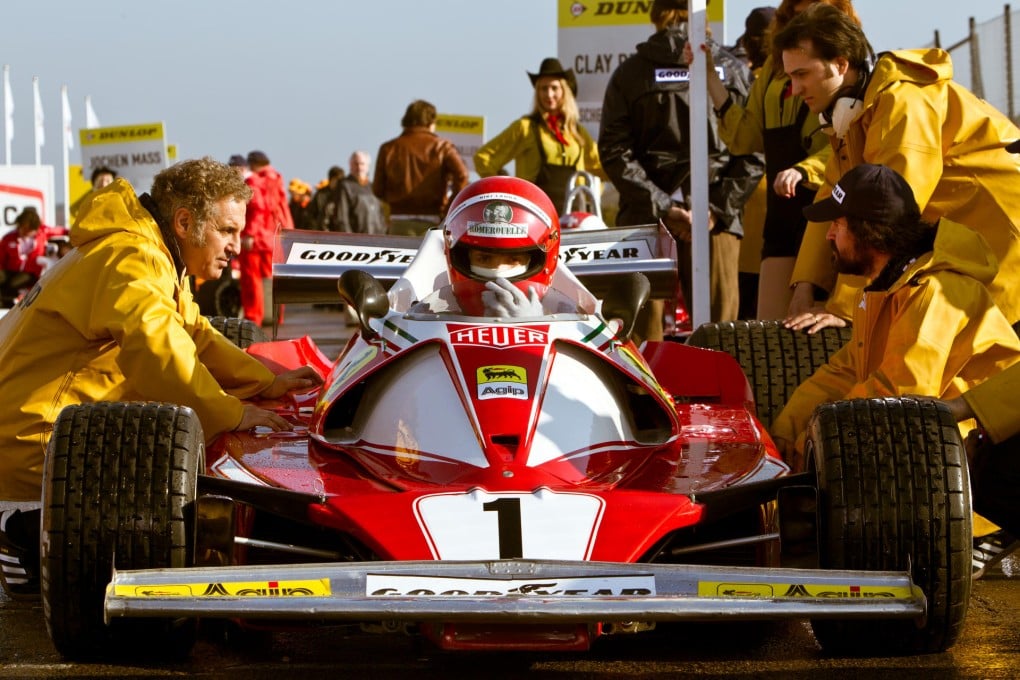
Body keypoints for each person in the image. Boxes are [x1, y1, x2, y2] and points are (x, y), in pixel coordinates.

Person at [0, 158, 323, 598]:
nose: (237, 247)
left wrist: (265, 382)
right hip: (32, 462)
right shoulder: (132, 257)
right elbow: (158, 353)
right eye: (227, 231)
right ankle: (17, 533)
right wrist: (232, 412)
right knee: (167, 552)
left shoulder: (149, 252)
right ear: (185, 222)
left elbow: (193, 333)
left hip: (37, 439)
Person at [772, 3, 1020, 329]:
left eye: (802, 74)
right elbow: (833, 200)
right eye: (791, 77)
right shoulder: (856, 117)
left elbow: (888, 215)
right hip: (976, 256)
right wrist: (804, 287)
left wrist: (845, 308)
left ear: (841, 64)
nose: (795, 90)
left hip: (1006, 254)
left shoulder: (903, 105)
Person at [768, 164, 1020, 469]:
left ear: (868, 231)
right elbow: (844, 372)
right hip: (947, 444)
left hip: (990, 455)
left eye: (837, 223)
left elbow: (899, 394)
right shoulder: (886, 287)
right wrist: (781, 435)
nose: (829, 235)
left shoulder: (933, 290)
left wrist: (806, 447)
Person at [599, 0, 764, 331]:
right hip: (715, 218)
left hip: (647, 218)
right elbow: (755, 150)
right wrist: (715, 208)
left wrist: (663, 206)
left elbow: (615, 151)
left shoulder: (629, 73)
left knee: (640, 341)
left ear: (656, 16)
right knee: (720, 336)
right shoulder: (734, 70)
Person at [689, 1, 859, 321]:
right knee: (771, 329)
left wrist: (803, 170)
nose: (797, 87)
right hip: (781, 211)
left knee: (821, 329)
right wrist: (709, 74)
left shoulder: (849, 67)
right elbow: (746, 136)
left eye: (817, 8)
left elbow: (847, 146)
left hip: (829, 209)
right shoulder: (772, 67)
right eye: (797, 10)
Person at [414, 176, 577, 318]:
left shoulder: (570, 322)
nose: (498, 270)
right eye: (484, 258)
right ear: (459, 257)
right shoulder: (428, 316)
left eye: (513, 258)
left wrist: (538, 323)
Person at [474, 57, 606, 215]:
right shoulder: (525, 127)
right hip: (534, 215)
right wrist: (504, 195)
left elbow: (602, 166)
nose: (549, 94)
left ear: (564, 90)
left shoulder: (576, 131)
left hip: (572, 217)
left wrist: (596, 192)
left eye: (554, 88)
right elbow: (483, 158)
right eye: (543, 89)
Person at [373, 99, 469, 236]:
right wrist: (449, 209)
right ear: (431, 122)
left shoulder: (388, 148)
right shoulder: (442, 147)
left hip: (398, 222)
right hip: (432, 221)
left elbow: (377, 189)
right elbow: (462, 175)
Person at [241, 150, 294, 326]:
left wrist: (249, 233)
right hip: (275, 237)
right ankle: (276, 316)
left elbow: (257, 209)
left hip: (256, 239)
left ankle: (254, 318)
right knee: (274, 279)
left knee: (252, 280)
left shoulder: (253, 181)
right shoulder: (277, 179)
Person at [0, 208, 64, 303]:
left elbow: (63, 231)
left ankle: (11, 300)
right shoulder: (9, 238)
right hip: (12, 271)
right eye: (23, 228)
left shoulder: (43, 233)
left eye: (28, 230)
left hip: (31, 274)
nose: (25, 232)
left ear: (35, 228)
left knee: (13, 283)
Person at [335, 151, 385, 234]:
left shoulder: (373, 187)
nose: (359, 167)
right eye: (356, 164)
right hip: (356, 239)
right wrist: (349, 239)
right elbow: (341, 217)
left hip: (376, 238)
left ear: (368, 166)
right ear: (350, 166)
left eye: (362, 164)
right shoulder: (344, 186)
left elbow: (381, 215)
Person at [307, 165, 345, 231]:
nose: (340, 182)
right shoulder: (320, 195)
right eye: (338, 180)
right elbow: (312, 216)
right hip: (321, 233)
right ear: (332, 179)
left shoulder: (344, 195)